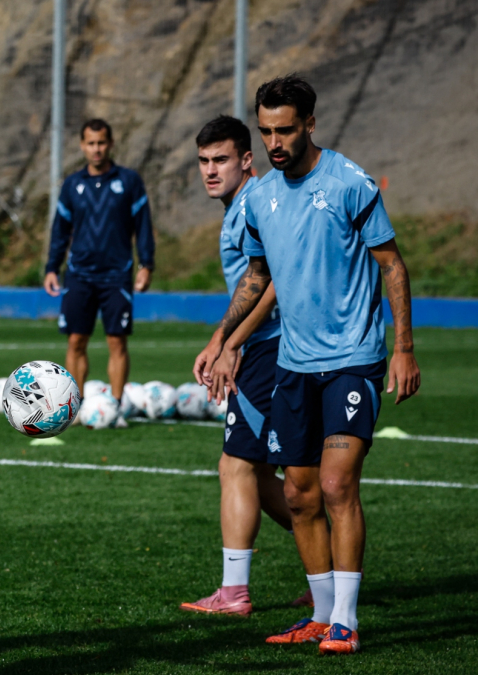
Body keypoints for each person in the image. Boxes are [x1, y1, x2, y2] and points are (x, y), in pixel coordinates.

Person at [196, 75, 420, 655]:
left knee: (336, 483)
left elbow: (391, 264)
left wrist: (404, 348)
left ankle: (346, 618)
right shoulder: (262, 199)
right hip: (293, 364)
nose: (274, 141)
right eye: (266, 129)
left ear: (310, 124)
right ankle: (320, 614)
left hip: (354, 359)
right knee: (297, 495)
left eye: (286, 129)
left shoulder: (349, 182)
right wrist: (223, 339)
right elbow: (257, 277)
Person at [184, 115, 305, 617]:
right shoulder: (239, 206)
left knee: (237, 465)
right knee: (259, 472)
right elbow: (249, 286)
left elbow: (272, 280)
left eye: (222, 160)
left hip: (270, 348)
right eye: (204, 162)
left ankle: (234, 593)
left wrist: (230, 343)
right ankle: (329, 565)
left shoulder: (257, 202)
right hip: (262, 346)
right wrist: (223, 339)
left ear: (246, 160)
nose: (211, 171)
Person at [43, 119, 155, 426]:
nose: (96, 149)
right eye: (91, 143)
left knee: (117, 341)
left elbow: (143, 226)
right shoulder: (71, 185)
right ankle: (74, 408)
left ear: (111, 143)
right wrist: (52, 267)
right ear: (82, 146)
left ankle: (115, 407)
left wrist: (147, 264)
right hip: (78, 274)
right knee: (76, 341)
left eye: (102, 142)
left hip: (117, 274)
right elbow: (60, 230)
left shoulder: (129, 182)